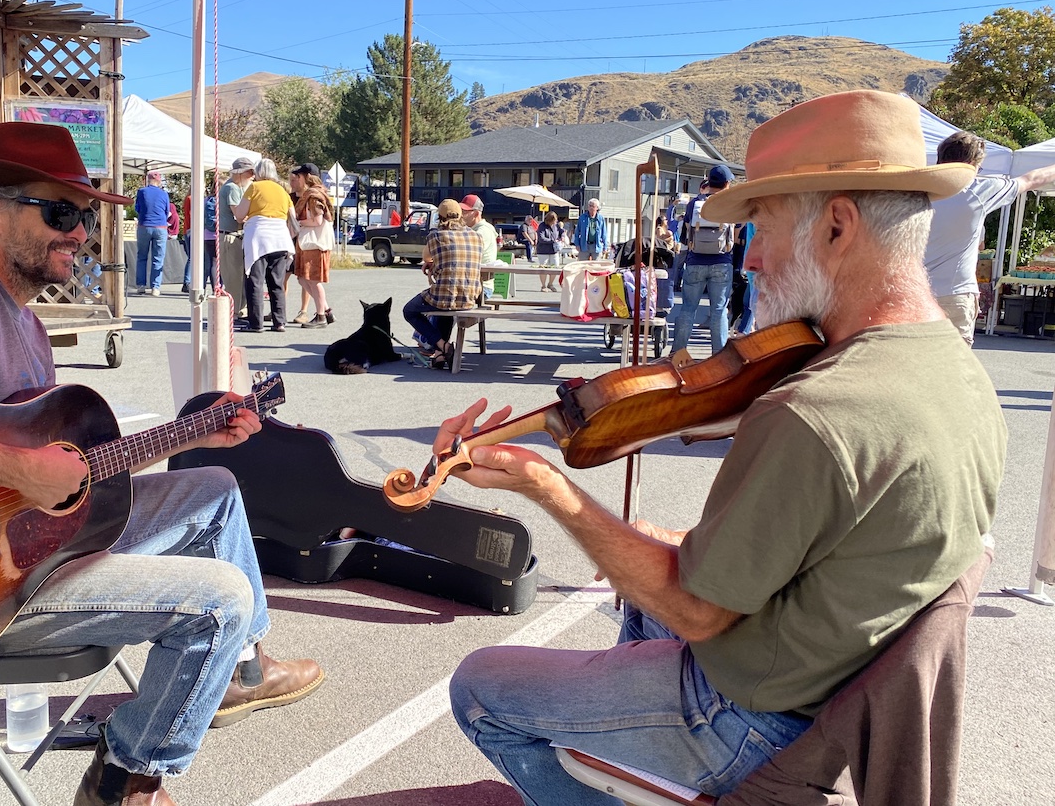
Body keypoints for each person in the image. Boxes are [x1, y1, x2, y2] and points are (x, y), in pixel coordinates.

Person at [442, 90, 1003, 804]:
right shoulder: (957, 367)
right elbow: (857, 538)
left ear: (837, 225)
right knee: (646, 560)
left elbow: (702, 614)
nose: (752, 261)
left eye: (762, 228)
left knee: (479, 686)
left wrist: (544, 487)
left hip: (754, 716)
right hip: (839, 678)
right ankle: (630, 767)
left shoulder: (813, 409)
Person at [0, 123, 324, 806]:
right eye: (61, 213)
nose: (80, 233)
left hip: (31, 551)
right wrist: (20, 473)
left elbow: (66, 475)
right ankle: (126, 776)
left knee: (215, 487)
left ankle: (242, 673)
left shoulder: (25, 321)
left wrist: (193, 434)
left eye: (85, 216)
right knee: (220, 597)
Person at [925, 130, 1055, 345]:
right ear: (972, 164)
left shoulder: (914, 192)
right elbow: (1032, 179)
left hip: (913, 292)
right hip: (955, 293)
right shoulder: (977, 191)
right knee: (954, 367)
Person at [402, 198, 482, 371]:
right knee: (446, 304)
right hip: (470, 297)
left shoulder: (436, 235)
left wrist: (431, 263)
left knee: (409, 310)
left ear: (440, 217)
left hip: (446, 294)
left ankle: (443, 346)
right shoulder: (476, 236)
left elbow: (426, 257)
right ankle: (440, 354)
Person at [672, 165, 735, 355]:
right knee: (719, 310)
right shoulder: (730, 203)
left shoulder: (694, 204)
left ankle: (677, 352)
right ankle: (719, 356)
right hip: (722, 262)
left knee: (688, 308)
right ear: (726, 184)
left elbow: (684, 235)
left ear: (709, 182)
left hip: (695, 261)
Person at [237, 158, 294, 333]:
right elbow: (292, 216)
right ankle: (280, 321)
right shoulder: (282, 191)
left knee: (255, 280)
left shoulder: (254, 187)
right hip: (280, 237)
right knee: (276, 282)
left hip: (259, 237)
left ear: (258, 172)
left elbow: (240, 214)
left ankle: (256, 323)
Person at [290, 164, 335, 328]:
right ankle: (325, 310)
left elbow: (317, 220)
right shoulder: (313, 194)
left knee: (313, 280)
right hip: (308, 242)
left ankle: (321, 316)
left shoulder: (314, 196)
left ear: (306, 177)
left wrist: (298, 223)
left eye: (299, 177)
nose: (297, 180)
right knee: (303, 279)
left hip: (315, 243)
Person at [218, 158, 254, 323]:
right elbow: (238, 215)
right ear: (240, 173)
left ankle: (239, 310)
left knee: (238, 276)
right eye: (250, 172)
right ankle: (236, 312)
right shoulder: (232, 188)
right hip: (230, 236)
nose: (252, 175)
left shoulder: (234, 187)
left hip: (234, 235)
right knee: (233, 277)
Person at [133, 171, 171, 296]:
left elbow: (137, 208)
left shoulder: (142, 192)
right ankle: (155, 287)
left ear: (147, 180)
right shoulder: (164, 194)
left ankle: (141, 286)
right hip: (160, 227)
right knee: (158, 258)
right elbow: (167, 211)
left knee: (142, 256)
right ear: (159, 181)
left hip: (144, 226)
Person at [459, 194, 497, 300]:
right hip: (469, 284)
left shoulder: (483, 231)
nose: (461, 215)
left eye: (465, 212)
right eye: (460, 211)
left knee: (438, 303)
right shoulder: (470, 229)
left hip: (482, 287)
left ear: (476, 213)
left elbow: (467, 254)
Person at [535, 211, 562, 292]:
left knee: (555, 267)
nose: (555, 222)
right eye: (554, 220)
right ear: (550, 220)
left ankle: (550, 284)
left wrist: (563, 236)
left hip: (554, 251)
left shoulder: (556, 226)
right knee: (544, 268)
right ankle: (543, 286)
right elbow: (541, 238)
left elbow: (561, 232)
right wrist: (553, 241)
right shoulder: (542, 226)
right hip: (543, 250)